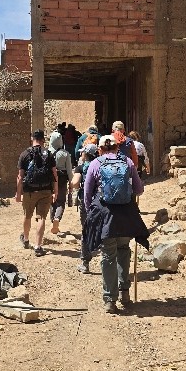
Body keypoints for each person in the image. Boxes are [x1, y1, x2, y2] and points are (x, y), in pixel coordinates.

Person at [83, 134, 148, 314]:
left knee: (108, 256)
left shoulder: (96, 164)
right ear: (117, 148)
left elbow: (87, 193)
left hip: (105, 215)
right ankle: (124, 293)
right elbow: (139, 189)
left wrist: (91, 214)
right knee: (124, 251)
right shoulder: (127, 162)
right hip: (125, 214)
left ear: (101, 149)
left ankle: (110, 300)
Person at [16, 129, 58, 257]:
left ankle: (27, 240)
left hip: (30, 190)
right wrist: (55, 191)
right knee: (41, 218)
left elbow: (20, 176)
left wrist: (18, 193)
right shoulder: (49, 154)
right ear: (43, 140)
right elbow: (55, 174)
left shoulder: (25, 154)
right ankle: (38, 246)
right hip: (45, 190)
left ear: (32, 139)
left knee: (27, 216)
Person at [70, 143, 99, 274]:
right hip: (101, 201)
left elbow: (75, 184)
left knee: (86, 230)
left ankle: (85, 262)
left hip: (86, 202)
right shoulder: (101, 164)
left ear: (86, 154)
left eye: (82, 152)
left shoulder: (81, 167)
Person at [48, 129, 73, 235]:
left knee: (51, 201)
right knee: (61, 201)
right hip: (62, 179)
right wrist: (71, 183)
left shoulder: (47, 153)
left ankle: (52, 218)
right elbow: (69, 170)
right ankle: (57, 218)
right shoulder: (65, 154)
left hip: (49, 179)